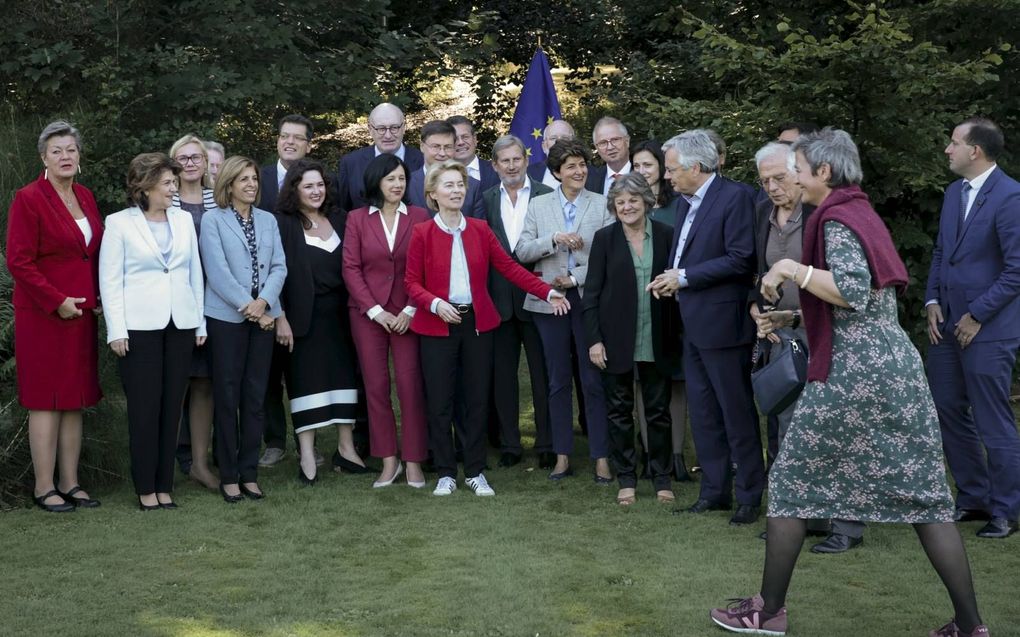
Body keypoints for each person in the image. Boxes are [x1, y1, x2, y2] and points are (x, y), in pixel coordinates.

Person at [710, 128, 989, 637]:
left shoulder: (837, 218)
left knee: (792, 484)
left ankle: (767, 612)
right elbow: (864, 305)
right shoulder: (860, 211)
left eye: (797, 169)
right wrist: (796, 321)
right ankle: (970, 626)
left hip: (853, 373)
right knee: (927, 497)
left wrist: (790, 267)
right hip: (894, 367)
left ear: (824, 172)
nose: (790, 177)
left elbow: (854, 292)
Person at [405, 160, 569, 497]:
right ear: (433, 194)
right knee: (440, 400)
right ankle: (447, 472)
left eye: (460, 184)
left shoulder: (480, 228)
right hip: (437, 325)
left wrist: (547, 290)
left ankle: (476, 470)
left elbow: (511, 268)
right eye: (448, 185)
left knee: (478, 398)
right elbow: (411, 283)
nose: (456, 191)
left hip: (477, 325)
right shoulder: (422, 232)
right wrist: (436, 304)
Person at [646, 130, 764, 526]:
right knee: (704, 413)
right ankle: (714, 491)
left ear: (696, 167)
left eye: (673, 169)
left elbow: (741, 258)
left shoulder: (736, 198)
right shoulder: (684, 203)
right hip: (690, 323)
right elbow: (686, 255)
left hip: (724, 324)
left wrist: (684, 277)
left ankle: (749, 495)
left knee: (735, 412)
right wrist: (671, 279)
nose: (667, 176)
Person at [926, 116, 1020, 540]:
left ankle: (1007, 510)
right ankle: (973, 498)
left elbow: (1017, 269)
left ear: (975, 151)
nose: (948, 150)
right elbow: (943, 252)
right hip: (946, 325)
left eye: (954, 143)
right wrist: (931, 300)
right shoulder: (953, 193)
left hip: (989, 328)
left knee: (991, 418)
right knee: (947, 409)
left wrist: (978, 313)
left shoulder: (1011, 196)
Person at [6, 120, 104, 513]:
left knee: (74, 399)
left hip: (81, 314)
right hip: (44, 315)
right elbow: (19, 261)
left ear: (79, 156)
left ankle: (71, 482)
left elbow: (93, 253)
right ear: (44, 157)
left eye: (71, 150)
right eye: (57, 151)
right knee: (45, 400)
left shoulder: (86, 195)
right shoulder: (28, 198)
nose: (65, 156)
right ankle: (44, 487)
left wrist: (97, 296)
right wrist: (57, 299)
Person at [100, 153, 206, 510]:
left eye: (174, 183)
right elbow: (110, 281)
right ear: (144, 187)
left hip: (180, 324)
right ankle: (146, 488)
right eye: (167, 184)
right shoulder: (118, 224)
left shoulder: (182, 220)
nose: (174, 189)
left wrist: (199, 322)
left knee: (172, 407)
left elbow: (194, 273)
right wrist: (116, 329)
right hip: (138, 329)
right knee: (145, 409)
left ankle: (165, 486)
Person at [515, 139, 614, 483]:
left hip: (587, 302)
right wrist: (554, 239)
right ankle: (562, 456)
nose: (579, 171)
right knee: (557, 381)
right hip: (548, 304)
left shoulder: (602, 206)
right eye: (571, 166)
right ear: (557, 172)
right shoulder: (538, 206)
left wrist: (574, 277)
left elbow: (610, 259)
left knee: (592, 380)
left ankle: (601, 457)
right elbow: (522, 251)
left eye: (583, 165)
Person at [583, 173, 679, 505]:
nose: (627, 207)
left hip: (657, 337)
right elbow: (591, 295)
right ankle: (627, 477)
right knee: (619, 411)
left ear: (646, 202)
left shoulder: (667, 236)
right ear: (613, 206)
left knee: (658, 411)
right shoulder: (605, 239)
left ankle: (662, 477)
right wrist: (594, 340)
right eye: (620, 202)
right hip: (615, 339)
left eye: (633, 200)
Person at [274, 159, 367, 485]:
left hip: (343, 316)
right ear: (295, 189)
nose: (315, 191)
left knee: (345, 379)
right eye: (308, 186)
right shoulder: (282, 223)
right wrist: (280, 316)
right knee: (305, 382)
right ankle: (308, 453)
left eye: (319, 185)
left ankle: (346, 448)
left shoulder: (341, 218)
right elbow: (276, 273)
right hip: (300, 318)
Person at [200, 155, 287, 503]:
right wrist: (249, 307)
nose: (251, 184)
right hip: (227, 319)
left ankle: (249, 472)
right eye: (244, 180)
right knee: (227, 395)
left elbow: (279, 266)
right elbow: (217, 272)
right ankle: (229, 474)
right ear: (229, 185)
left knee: (255, 397)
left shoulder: (268, 220)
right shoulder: (213, 220)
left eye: (254, 179)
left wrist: (263, 302)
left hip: (263, 315)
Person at [343, 154, 431, 488]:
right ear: (376, 182)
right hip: (369, 315)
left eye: (402, 179)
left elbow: (425, 266)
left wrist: (409, 310)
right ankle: (388, 461)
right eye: (391, 179)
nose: (397, 185)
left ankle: (413, 462)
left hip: (409, 314)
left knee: (410, 387)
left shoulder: (421, 216)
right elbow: (351, 268)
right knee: (376, 388)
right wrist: (376, 311)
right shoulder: (357, 219)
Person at [483, 135, 555, 469]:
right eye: (504, 161)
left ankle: (547, 443)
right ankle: (510, 444)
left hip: (538, 294)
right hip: (498, 300)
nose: (511, 166)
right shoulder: (484, 199)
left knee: (544, 375)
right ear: (495, 166)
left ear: (526, 161)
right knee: (503, 378)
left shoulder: (546, 195)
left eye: (516, 159)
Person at [256, 114, 319, 469]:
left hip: (304, 286)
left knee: (303, 371)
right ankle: (274, 441)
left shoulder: (317, 181)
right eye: (284, 136)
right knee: (268, 374)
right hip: (264, 290)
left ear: (309, 144)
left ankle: (307, 440)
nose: (290, 142)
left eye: (297, 138)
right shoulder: (259, 179)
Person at [630, 140, 690, 481]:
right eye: (636, 166)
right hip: (638, 309)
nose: (642, 172)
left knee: (674, 381)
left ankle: (677, 455)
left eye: (648, 165)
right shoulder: (628, 207)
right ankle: (651, 452)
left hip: (673, 306)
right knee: (643, 380)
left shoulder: (678, 206)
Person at [169, 134, 218, 490]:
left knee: (204, 383)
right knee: (174, 384)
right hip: (173, 303)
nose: (189, 163)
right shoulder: (162, 201)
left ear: (205, 161)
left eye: (195, 157)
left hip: (214, 302)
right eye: (182, 158)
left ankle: (201, 463)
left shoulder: (220, 200)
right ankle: (165, 463)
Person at [336, 102, 425, 211]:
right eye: (381, 129)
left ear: (403, 127)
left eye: (394, 128)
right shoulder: (351, 163)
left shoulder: (423, 161)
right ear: (370, 129)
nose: (388, 135)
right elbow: (344, 209)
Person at [406, 120, 485, 217]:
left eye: (448, 147)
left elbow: (479, 229)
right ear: (422, 146)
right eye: (436, 147)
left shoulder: (472, 186)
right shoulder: (407, 184)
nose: (442, 153)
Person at [448, 115, 500, 191]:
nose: (460, 142)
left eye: (465, 137)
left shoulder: (497, 171)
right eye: (454, 139)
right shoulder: (438, 175)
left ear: (475, 139)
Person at [585, 117, 631, 195]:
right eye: (603, 143)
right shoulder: (589, 181)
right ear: (596, 148)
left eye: (615, 140)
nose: (610, 147)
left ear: (627, 141)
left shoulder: (643, 173)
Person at [527, 119, 576, 189]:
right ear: (544, 146)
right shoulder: (528, 173)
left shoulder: (594, 176)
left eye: (565, 138)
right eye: (553, 138)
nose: (559, 142)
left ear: (574, 143)